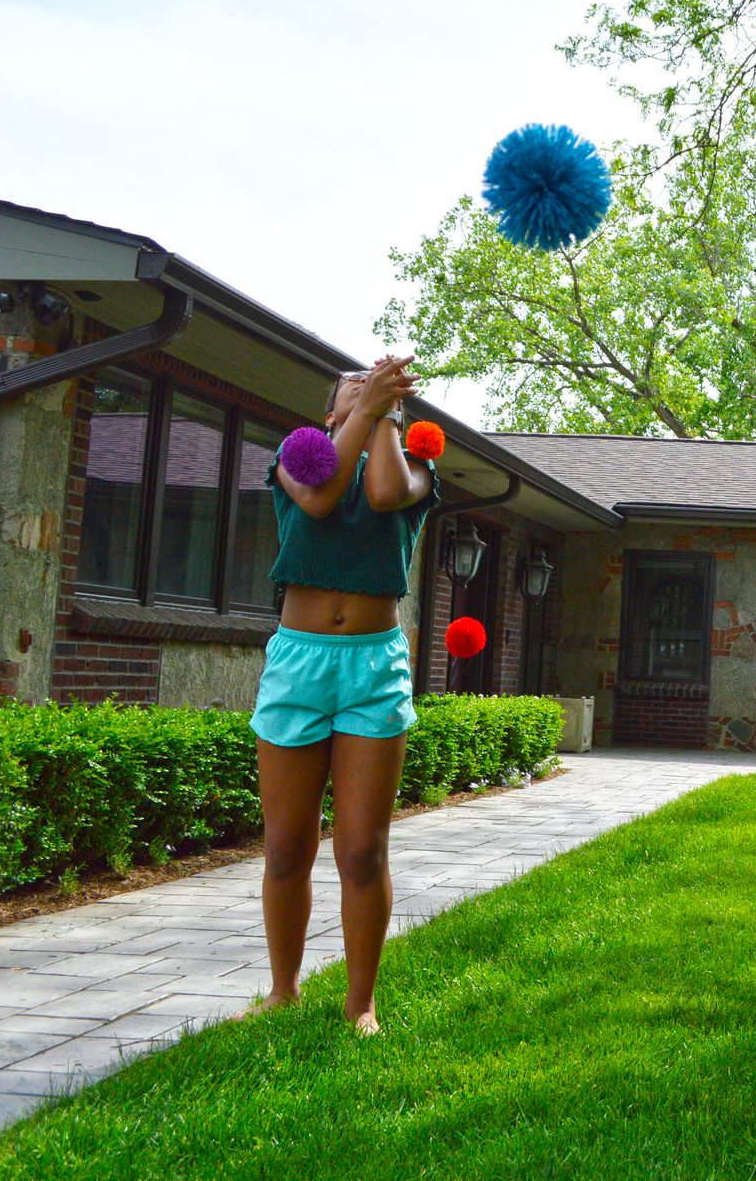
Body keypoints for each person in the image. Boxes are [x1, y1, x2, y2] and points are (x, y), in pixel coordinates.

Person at [245, 355, 436, 1035]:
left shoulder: (414, 469)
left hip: (373, 668)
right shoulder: (298, 455)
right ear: (330, 415)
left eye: (381, 393)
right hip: (299, 665)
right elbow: (323, 494)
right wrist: (365, 410)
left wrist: (382, 413)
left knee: (362, 849)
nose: (368, 389)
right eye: (352, 390)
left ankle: (361, 1004)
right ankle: (283, 990)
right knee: (286, 846)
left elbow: (382, 494)